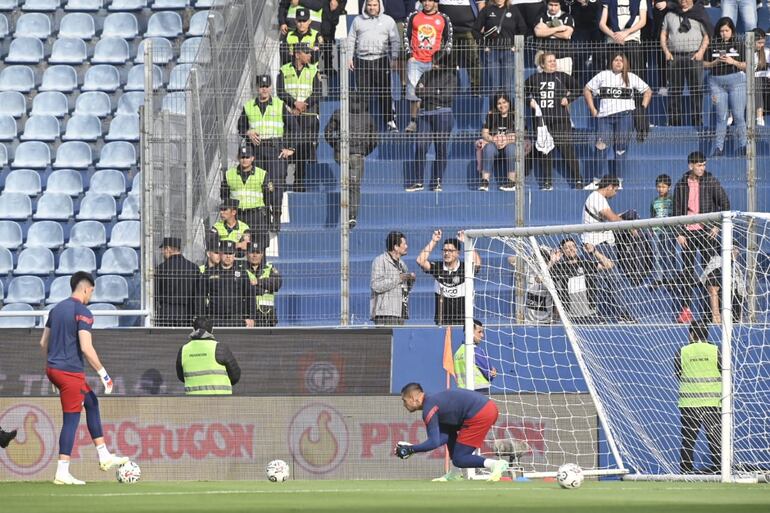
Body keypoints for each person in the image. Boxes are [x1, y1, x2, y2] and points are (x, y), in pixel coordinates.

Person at [40, 271, 129, 485]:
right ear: (85, 288)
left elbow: (43, 343)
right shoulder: (83, 312)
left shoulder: (55, 309)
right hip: (69, 373)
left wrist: (54, 370)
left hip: (54, 369)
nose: (91, 296)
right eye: (91, 292)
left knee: (91, 401)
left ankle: (103, 455)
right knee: (71, 419)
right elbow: (86, 348)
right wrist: (104, 375)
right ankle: (62, 471)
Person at [395, 383, 509, 481]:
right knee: (449, 430)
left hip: (480, 412)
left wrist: (410, 449)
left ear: (413, 398)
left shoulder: (429, 408)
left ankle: (495, 464)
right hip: (486, 408)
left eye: (404, 401)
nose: (404, 405)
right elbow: (443, 437)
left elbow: (433, 442)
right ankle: (455, 473)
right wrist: (411, 448)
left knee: (459, 459)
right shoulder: (433, 402)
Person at [672, 151, 730, 324]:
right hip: (687, 233)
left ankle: (711, 312)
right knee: (687, 272)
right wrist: (679, 232)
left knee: (711, 271)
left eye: (704, 164)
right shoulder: (682, 183)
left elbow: (725, 203)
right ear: (691, 166)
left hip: (706, 232)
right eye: (699, 165)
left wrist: (716, 226)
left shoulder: (711, 181)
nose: (702, 168)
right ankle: (686, 310)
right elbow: (675, 210)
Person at [238, 73, 296, 232]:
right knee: (260, 185)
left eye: (267, 86)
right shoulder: (249, 106)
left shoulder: (279, 105)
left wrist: (290, 149)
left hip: (275, 149)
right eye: (261, 86)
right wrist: (248, 132)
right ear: (257, 88)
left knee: (276, 184)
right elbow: (240, 127)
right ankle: (264, 216)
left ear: (271, 87)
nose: (264, 90)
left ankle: (276, 216)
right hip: (256, 150)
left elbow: (295, 128)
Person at [584, 53, 651, 179]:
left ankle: (618, 180)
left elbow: (647, 91)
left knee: (621, 149)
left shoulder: (631, 77)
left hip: (625, 117)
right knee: (601, 147)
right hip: (605, 118)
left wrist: (642, 108)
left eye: (621, 60)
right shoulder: (603, 75)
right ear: (611, 62)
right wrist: (593, 109)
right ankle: (597, 179)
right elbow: (587, 89)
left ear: (625, 63)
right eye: (616, 60)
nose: (618, 62)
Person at [581, 175, 638, 323]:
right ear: (610, 187)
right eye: (616, 190)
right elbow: (612, 218)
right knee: (609, 282)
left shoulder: (597, 199)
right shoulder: (597, 198)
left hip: (601, 245)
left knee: (609, 282)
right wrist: (629, 226)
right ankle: (614, 314)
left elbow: (607, 218)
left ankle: (609, 314)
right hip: (598, 246)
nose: (616, 193)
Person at [525, 51, 583, 190]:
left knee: (567, 150)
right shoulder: (535, 78)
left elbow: (578, 88)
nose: (553, 63)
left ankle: (578, 180)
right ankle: (547, 182)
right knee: (545, 151)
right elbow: (522, 91)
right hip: (542, 122)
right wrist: (530, 101)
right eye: (550, 61)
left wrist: (568, 99)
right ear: (542, 64)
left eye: (554, 61)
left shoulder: (561, 76)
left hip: (561, 121)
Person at [324, 92, 378, 228]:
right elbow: (374, 139)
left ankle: (345, 202)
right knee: (354, 186)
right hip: (357, 155)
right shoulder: (367, 117)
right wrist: (365, 151)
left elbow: (327, 132)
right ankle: (352, 215)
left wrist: (336, 146)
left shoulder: (339, 113)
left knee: (347, 182)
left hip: (340, 154)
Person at [346, 0, 400, 131]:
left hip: (381, 59)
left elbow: (395, 40)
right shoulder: (358, 20)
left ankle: (390, 121)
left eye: (374, 5)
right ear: (365, 6)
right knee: (363, 94)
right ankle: (363, 124)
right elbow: (351, 39)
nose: (372, 7)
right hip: (362, 60)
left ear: (379, 6)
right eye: (369, 5)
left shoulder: (388, 20)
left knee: (385, 92)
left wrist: (394, 57)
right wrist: (349, 57)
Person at [675, 320, 721, 474]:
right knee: (715, 440)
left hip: (689, 404)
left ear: (692, 333)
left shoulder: (682, 351)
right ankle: (720, 471)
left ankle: (685, 473)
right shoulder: (716, 350)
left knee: (688, 441)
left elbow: (678, 374)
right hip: (713, 403)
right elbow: (725, 372)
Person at [405, 64, 457, 192]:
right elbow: (417, 91)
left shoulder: (451, 76)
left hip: (443, 114)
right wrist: (436, 91)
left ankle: (437, 182)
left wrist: (428, 91)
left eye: (439, 62)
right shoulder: (426, 73)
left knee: (441, 148)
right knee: (420, 146)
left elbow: (447, 96)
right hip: (424, 114)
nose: (435, 64)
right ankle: (418, 182)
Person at [277, 42, 321, 192]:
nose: (309, 55)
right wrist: (294, 103)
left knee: (302, 149)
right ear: (297, 54)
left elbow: (317, 92)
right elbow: (280, 92)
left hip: (307, 116)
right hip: (289, 115)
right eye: (306, 52)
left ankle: (299, 181)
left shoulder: (314, 70)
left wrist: (303, 105)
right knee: (286, 147)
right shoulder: (284, 70)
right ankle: (281, 181)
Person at [404, 0, 453, 133]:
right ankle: (413, 121)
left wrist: (440, 59)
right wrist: (410, 55)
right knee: (414, 92)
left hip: (434, 62)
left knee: (430, 91)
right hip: (416, 61)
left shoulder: (443, 18)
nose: (426, 3)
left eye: (429, 0)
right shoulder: (413, 16)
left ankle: (428, 120)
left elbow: (449, 41)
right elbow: (406, 36)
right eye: (424, 1)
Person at [659, 0, 710, 127]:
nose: (683, 1)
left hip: (694, 56)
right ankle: (674, 122)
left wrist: (701, 52)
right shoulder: (670, 15)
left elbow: (707, 35)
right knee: (675, 91)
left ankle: (697, 121)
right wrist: (666, 51)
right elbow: (663, 34)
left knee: (696, 90)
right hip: (675, 57)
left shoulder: (700, 13)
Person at [416, 229, 482, 325]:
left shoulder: (465, 268)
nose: (447, 253)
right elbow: (420, 261)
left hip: (463, 322)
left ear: (458, 253)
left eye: (450, 250)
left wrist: (466, 242)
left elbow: (477, 263)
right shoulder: (438, 267)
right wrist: (434, 241)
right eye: (445, 250)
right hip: (442, 321)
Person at [704, 17, 747, 157]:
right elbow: (704, 64)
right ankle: (718, 148)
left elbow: (747, 65)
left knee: (738, 115)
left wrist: (732, 61)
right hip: (717, 82)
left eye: (727, 30)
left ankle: (744, 146)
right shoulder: (713, 43)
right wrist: (715, 62)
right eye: (721, 31)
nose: (724, 34)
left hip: (736, 81)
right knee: (721, 117)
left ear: (732, 31)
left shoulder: (739, 44)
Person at [550, 238, 615, 323]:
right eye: (567, 247)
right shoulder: (559, 268)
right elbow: (539, 279)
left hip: (590, 315)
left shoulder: (585, 263)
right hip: (570, 317)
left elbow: (609, 265)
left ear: (576, 249)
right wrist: (552, 262)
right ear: (562, 251)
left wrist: (595, 251)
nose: (571, 249)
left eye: (573, 246)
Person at [221, 144, 270, 251]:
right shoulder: (229, 174)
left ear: (253, 158)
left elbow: (268, 197)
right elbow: (224, 196)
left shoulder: (262, 174)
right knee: (236, 247)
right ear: (238, 158)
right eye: (242, 157)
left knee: (259, 248)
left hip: (256, 216)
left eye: (247, 157)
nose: (244, 160)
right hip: (238, 216)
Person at [474, 0, 527, 100]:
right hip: (492, 52)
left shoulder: (513, 10)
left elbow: (523, 28)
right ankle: (494, 113)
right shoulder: (486, 10)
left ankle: (510, 113)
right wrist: (484, 45)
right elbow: (475, 30)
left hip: (509, 52)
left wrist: (516, 45)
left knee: (508, 86)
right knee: (494, 86)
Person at [176, 316, 241, 395]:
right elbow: (235, 376)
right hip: (221, 400)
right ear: (212, 330)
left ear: (193, 330)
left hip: (193, 400)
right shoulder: (220, 348)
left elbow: (181, 377)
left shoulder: (183, 350)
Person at [203, 240, 257, 327]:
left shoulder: (242, 273)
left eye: (231, 253)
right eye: (225, 253)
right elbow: (201, 296)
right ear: (220, 253)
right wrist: (202, 317)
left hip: (237, 319)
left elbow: (250, 296)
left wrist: (251, 317)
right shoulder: (209, 272)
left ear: (234, 254)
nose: (228, 256)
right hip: (214, 319)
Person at [370, 231, 415, 325]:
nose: (406, 246)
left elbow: (405, 288)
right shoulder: (380, 261)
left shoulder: (402, 264)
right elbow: (375, 286)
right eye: (404, 244)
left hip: (400, 313)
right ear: (396, 247)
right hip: (386, 313)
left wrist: (410, 280)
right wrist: (399, 278)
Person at [438, 0, 482, 95]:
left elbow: (480, 4)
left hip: (470, 29)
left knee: (473, 59)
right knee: (448, 61)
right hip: (447, 30)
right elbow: (434, 5)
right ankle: (448, 88)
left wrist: (481, 23)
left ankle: (476, 88)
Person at [155, 236, 201, 327]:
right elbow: (198, 293)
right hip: (187, 311)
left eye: (164, 249)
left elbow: (156, 292)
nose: (163, 252)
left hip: (166, 311)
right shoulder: (193, 268)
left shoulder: (162, 268)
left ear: (168, 249)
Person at [477, 92, 519, 192]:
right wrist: (494, 139)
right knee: (489, 148)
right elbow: (484, 133)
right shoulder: (491, 115)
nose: (502, 106)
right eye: (499, 103)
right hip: (495, 145)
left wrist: (507, 140)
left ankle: (512, 182)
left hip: (509, 145)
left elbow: (522, 133)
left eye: (504, 102)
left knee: (511, 148)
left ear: (509, 102)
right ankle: (484, 182)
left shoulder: (515, 115)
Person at [245, 242, 283, 327]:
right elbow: (243, 287)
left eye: (258, 252)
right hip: (248, 314)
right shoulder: (241, 269)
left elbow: (277, 283)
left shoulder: (269, 268)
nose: (254, 255)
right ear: (246, 253)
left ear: (262, 254)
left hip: (267, 315)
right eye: (252, 252)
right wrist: (265, 289)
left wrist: (258, 282)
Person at [454, 319, 497, 393]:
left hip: (462, 391)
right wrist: (493, 373)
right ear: (469, 332)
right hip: (480, 390)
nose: (482, 335)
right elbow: (489, 374)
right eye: (479, 332)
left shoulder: (457, 353)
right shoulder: (476, 351)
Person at [649, 173, 677, 287]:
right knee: (657, 254)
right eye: (659, 186)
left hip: (669, 231)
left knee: (670, 253)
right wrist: (651, 229)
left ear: (669, 187)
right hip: (657, 231)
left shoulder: (673, 200)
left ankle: (670, 277)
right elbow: (652, 215)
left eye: (663, 186)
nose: (661, 189)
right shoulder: (654, 201)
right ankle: (658, 278)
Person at [753, 28, 769, 127]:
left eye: (763, 42)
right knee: (757, 81)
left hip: (766, 81)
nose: (761, 45)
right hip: (753, 82)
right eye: (759, 42)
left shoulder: (767, 52)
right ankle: (759, 116)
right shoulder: (747, 53)